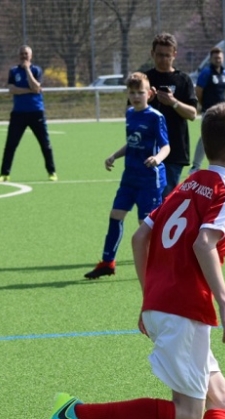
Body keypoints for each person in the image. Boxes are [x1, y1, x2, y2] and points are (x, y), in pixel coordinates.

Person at [42, 102, 225, 419]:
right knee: (188, 415)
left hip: (166, 303)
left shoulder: (188, 184)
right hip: (185, 308)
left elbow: (140, 237)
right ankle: (77, 413)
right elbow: (203, 244)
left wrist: (149, 299)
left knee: (220, 398)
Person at [84, 72, 170, 280]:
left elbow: (166, 146)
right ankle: (107, 262)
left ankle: (162, 264)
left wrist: (157, 158)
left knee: (145, 224)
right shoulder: (130, 114)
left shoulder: (156, 117)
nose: (136, 96)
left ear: (149, 94)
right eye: (132, 93)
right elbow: (132, 143)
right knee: (115, 215)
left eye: (140, 92)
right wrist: (114, 155)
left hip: (150, 180)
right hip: (130, 177)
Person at [144, 33, 198, 196]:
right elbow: (130, 112)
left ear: (174, 54)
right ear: (152, 53)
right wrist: (145, 101)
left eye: (167, 55)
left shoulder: (183, 80)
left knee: (166, 198)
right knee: (147, 198)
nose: (163, 59)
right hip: (147, 148)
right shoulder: (145, 79)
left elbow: (192, 114)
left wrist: (173, 102)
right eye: (159, 55)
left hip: (175, 150)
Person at [0, 45, 57, 182]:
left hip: (36, 112)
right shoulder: (13, 71)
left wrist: (27, 70)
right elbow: (12, 89)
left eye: (26, 54)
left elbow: (36, 87)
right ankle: (4, 174)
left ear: (31, 56)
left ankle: (51, 172)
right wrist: (29, 90)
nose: (24, 56)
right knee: (10, 145)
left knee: (45, 144)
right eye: (22, 54)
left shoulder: (36, 70)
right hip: (18, 114)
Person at [189, 46, 225, 175]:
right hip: (209, 111)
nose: (218, 59)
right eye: (215, 57)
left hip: (222, 113)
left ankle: (220, 166)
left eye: (220, 57)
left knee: (222, 138)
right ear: (211, 59)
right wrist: (203, 105)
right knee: (205, 138)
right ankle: (195, 166)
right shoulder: (206, 73)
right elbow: (198, 91)